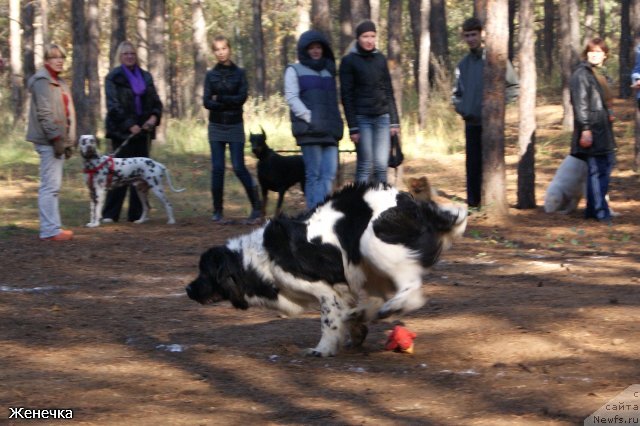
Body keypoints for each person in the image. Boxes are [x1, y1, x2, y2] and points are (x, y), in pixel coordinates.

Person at [452, 17, 519, 208]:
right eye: (467, 35)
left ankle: (492, 202)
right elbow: (456, 93)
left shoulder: (495, 59)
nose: (471, 39)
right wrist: (462, 108)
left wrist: (499, 106)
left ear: (482, 34)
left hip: (492, 123)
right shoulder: (463, 65)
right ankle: (474, 203)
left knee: (492, 165)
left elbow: (513, 85)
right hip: (471, 121)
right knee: (472, 165)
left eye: (474, 34)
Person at [102, 40, 163, 223]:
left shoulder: (146, 77)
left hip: (143, 133)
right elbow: (113, 106)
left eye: (132, 53)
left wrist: (154, 118)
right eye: (126, 53)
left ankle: (137, 214)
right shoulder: (113, 77)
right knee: (119, 173)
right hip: (122, 132)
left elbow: (156, 103)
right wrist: (129, 125)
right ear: (120, 57)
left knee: (140, 174)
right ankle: (110, 214)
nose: (129, 56)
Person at [203, 35, 261, 223]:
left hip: (235, 125)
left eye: (223, 48)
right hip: (216, 126)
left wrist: (220, 99)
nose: (221, 53)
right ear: (214, 52)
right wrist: (225, 102)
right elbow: (206, 102)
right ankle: (217, 210)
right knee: (218, 168)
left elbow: (241, 98)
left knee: (238, 167)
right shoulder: (210, 75)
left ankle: (256, 206)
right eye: (217, 50)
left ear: (229, 49)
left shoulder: (240, 73)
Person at [284, 30, 344, 209]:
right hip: (309, 131)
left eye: (319, 47)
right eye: (312, 48)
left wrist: (336, 124)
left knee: (329, 175)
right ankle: (313, 216)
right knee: (314, 175)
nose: (316, 51)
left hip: (329, 132)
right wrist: (310, 117)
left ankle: (323, 213)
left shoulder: (328, 72)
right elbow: (292, 98)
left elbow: (333, 102)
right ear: (304, 50)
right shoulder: (294, 70)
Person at [26, 43, 77, 241]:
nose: (59, 60)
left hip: (59, 140)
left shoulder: (60, 82)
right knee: (49, 185)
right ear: (47, 60)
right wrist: (56, 139)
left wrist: (68, 141)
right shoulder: (42, 81)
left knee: (54, 185)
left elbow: (66, 113)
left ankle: (53, 227)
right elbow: (45, 114)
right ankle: (49, 230)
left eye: (62, 57)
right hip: (49, 140)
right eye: (55, 57)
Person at [339, 20, 399, 185]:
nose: (369, 40)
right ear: (358, 38)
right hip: (362, 119)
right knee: (365, 165)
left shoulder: (380, 59)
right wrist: (353, 127)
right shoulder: (349, 61)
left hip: (382, 118)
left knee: (381, 165)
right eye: (365, 36)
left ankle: (382, 205)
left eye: (373, 36)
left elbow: (388, 90)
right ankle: (360, 205)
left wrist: (394, 121)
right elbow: (346, 96)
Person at [569, 37, 616, 223]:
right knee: (597, 170)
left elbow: (604, 101)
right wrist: (586, 128)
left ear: (605, 55)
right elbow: (579, 104)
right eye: (591, 51)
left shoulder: (598, 74)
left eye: (598, 52)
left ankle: (592, 210)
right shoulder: (581, 74)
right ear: (586, 53)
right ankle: (600, 211)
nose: (595, 55)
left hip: (602, 128)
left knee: (601, 168)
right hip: (592, 129)